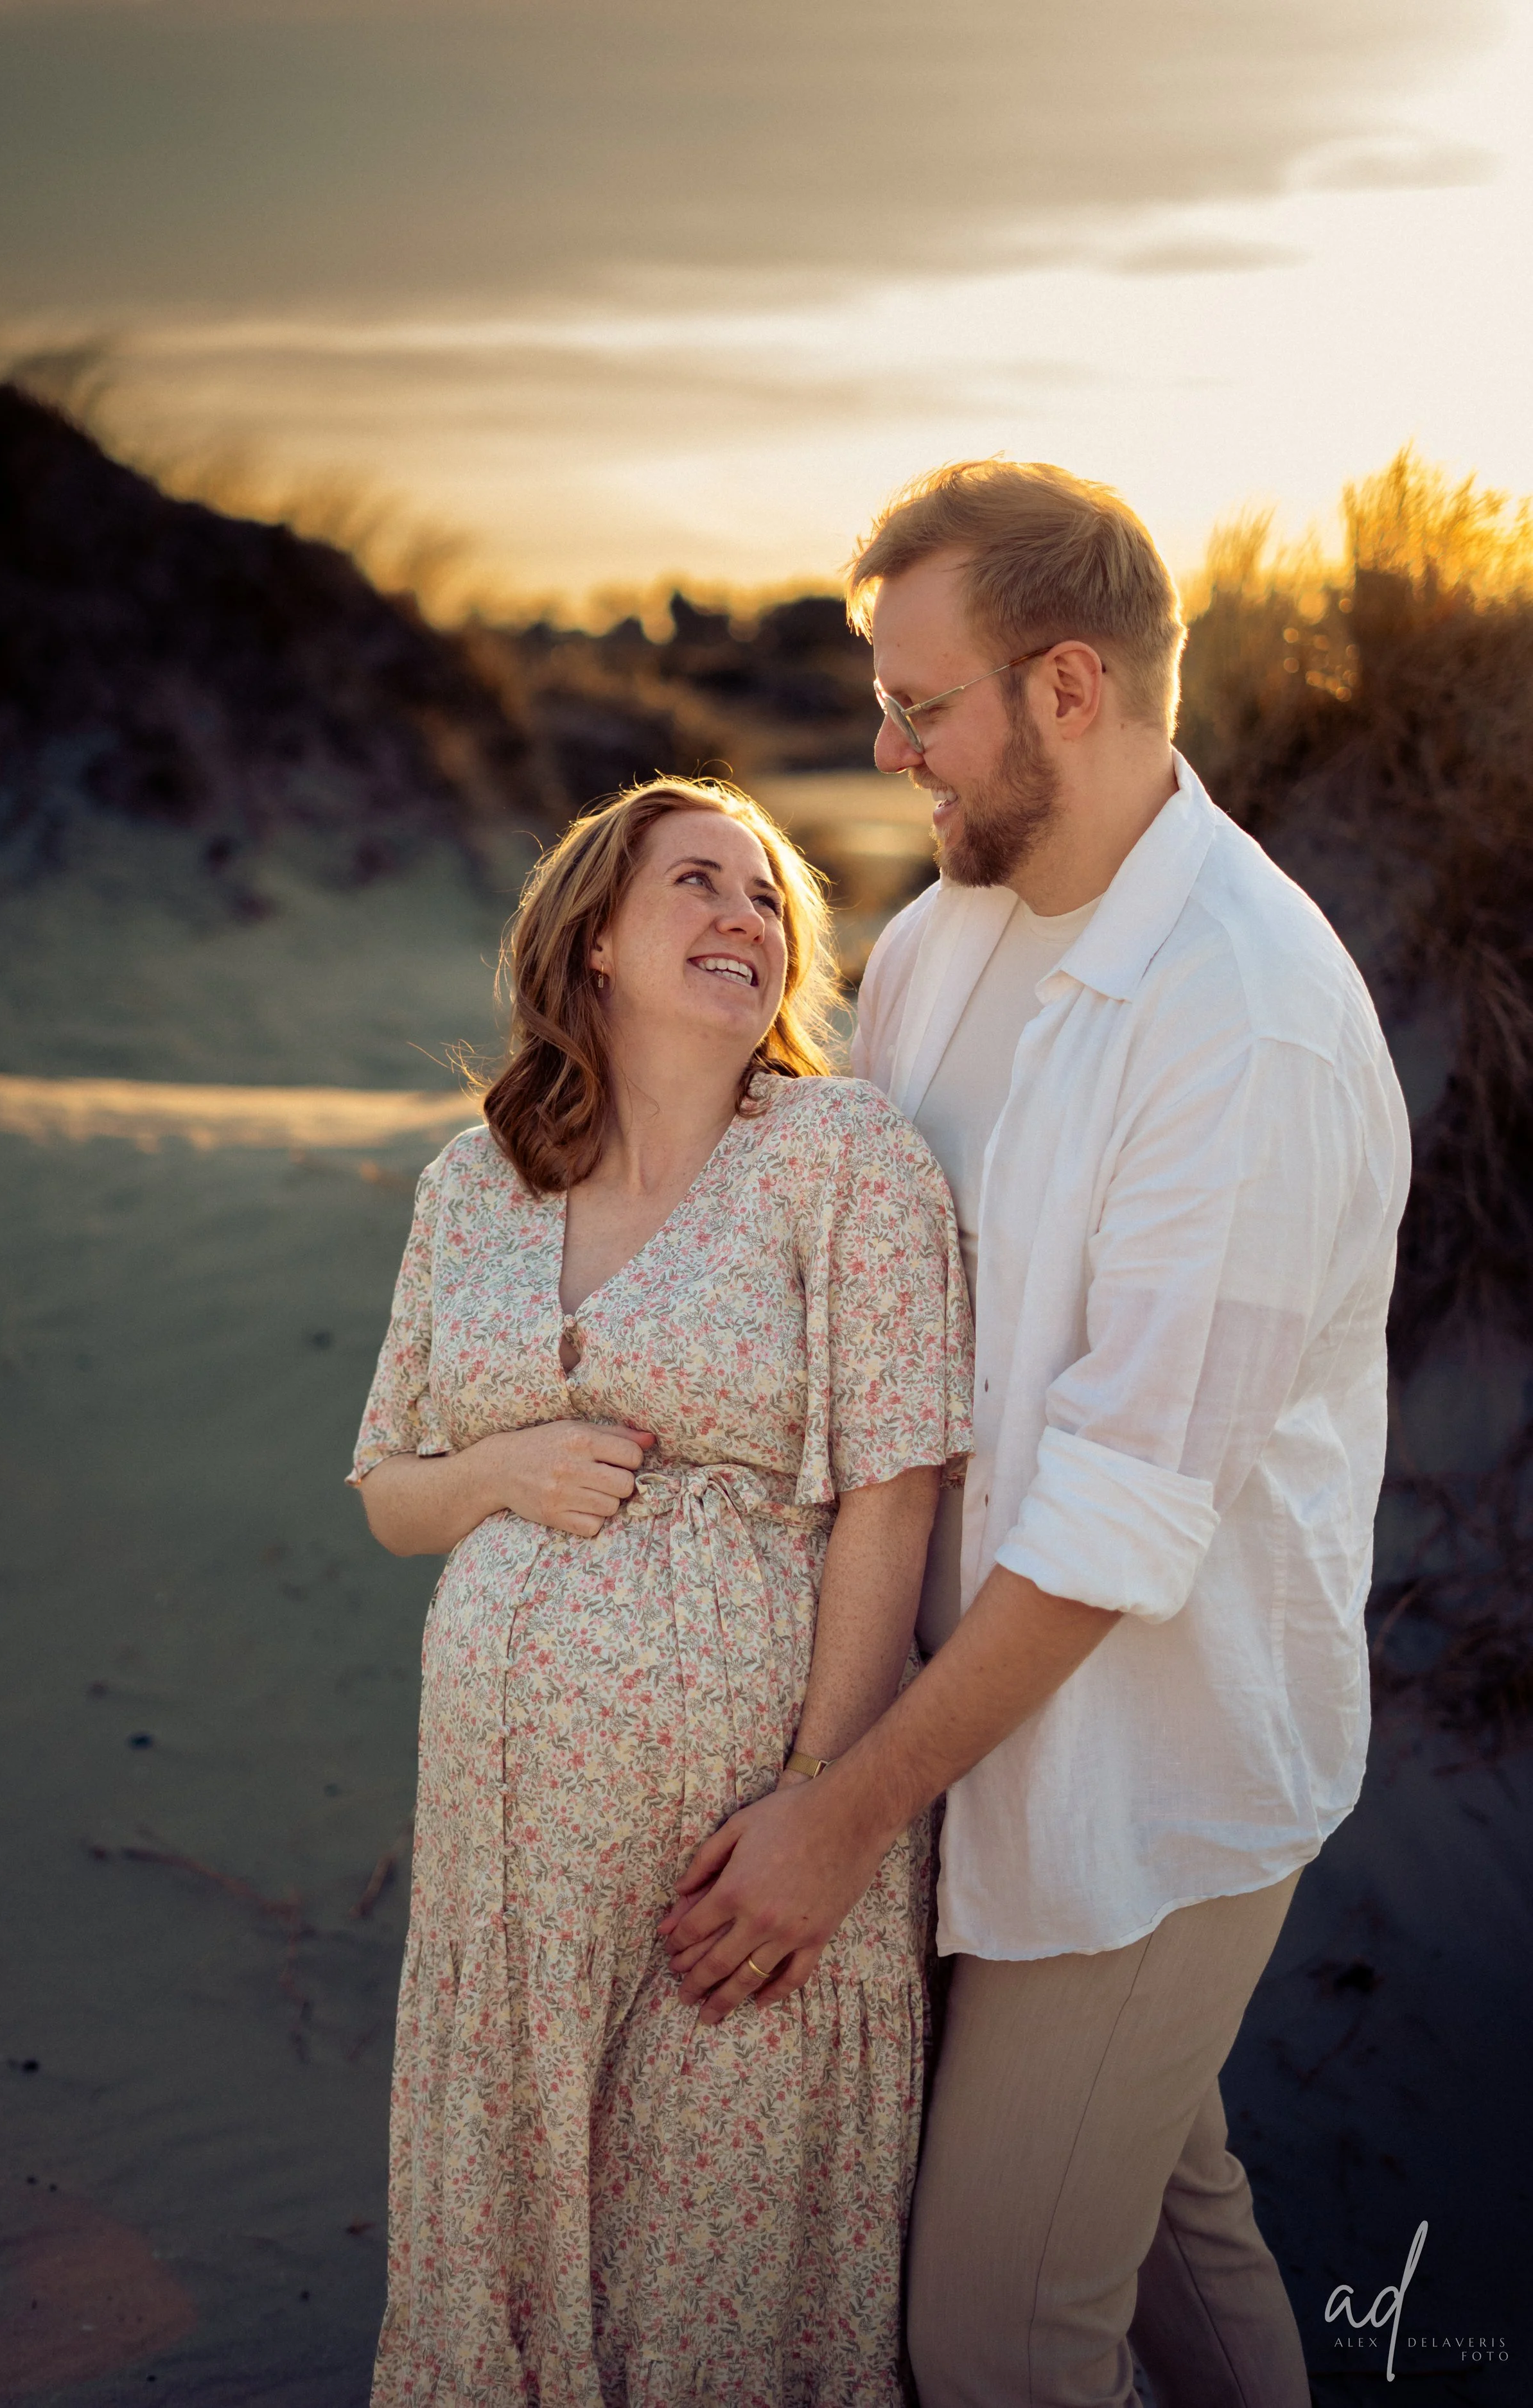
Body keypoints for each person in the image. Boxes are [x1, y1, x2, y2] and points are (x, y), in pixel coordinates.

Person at [661, 463, 1411, 2407]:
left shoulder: (1239, 1022)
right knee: (1168, 2231)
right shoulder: (941, 943)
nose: (888, 747)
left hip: (1147, 1772)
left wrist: (836, 1818)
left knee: (995, 2334)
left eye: (923, 705)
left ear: (1067, 686)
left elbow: (1114, 1523)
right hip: (964, 1742)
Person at [349, 776, 972, 2405]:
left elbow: (891, 1495)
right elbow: (388, 1494)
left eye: (768, 899)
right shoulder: (471, 1186)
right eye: (698, 884)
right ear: (597, 943)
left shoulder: (843, 1160)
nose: (744, 920)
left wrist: (818, 1810)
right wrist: (504, 1472)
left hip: (741, 1870)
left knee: (717, 2296)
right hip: (508, 1901)